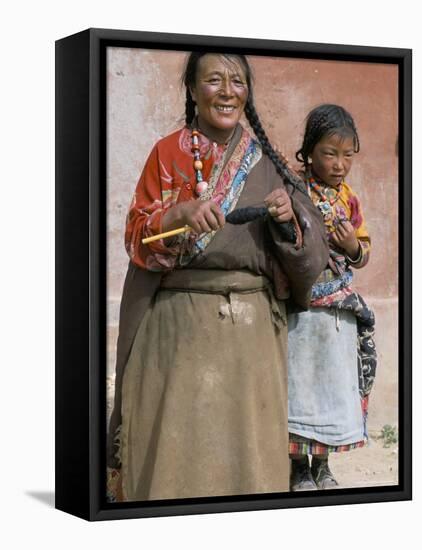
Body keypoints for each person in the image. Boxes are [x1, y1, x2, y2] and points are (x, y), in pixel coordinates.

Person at [106, 52, 329, 502]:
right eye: (214, 80)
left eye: (238, 81)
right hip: (176, 330)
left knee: (247, 460)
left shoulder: (268, 160)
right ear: (191, 89)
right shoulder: (166, 154)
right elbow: (136, 235)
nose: (227, 92)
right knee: (174, 455)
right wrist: (178, 214)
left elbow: (313, 249)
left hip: (251, 342)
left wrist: (288, 222)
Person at [287, 104, 377, 491]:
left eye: (347, 156)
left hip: (337, 311)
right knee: (298, 387)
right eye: (329, 153)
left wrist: (352, 245)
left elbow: (365, 250)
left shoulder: (350, 199)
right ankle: (297, 467)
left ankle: (321, 466)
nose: (339, 165)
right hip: (300, 309)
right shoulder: (294, 188)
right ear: (309, 151)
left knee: (326, 387)